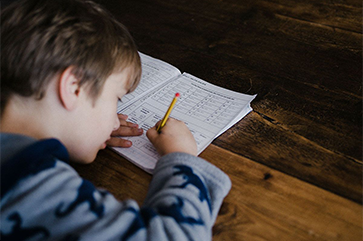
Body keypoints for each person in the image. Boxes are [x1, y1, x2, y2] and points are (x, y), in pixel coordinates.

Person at [0, 0, 231, 240]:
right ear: (74, 88)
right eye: (117, 99)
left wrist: (79, 132)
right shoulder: (30, 186)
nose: (114, 122)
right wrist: (181, 159)